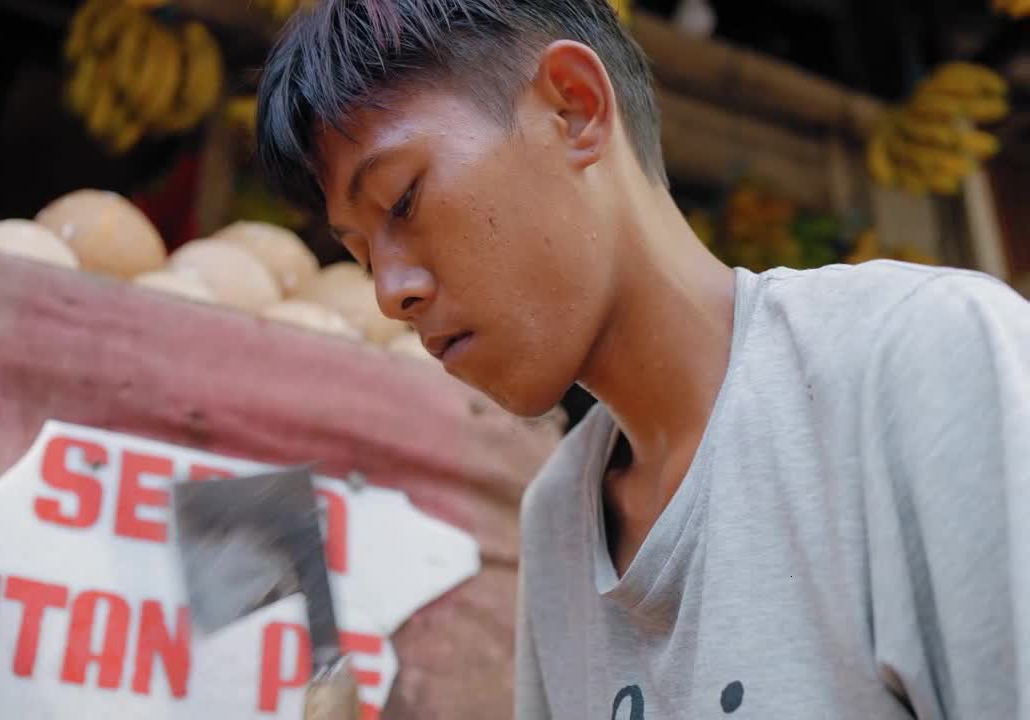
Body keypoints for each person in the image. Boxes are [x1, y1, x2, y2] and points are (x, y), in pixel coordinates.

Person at [254, 0, 1030, 717]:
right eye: (359, 255)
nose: (391, 292)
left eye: (401, 201)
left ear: (574, 108)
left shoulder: (924, 360)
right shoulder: (557, 515)